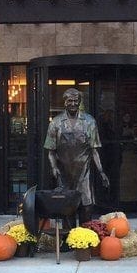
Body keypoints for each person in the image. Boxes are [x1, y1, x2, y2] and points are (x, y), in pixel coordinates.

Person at [44, 88, 109, 222]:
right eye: (70, 101)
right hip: (64, 171)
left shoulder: (89, 121)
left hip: (84, 170)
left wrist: (101, 171)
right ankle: (69, 237)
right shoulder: (56, 123)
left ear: (79, 102)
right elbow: (51, 151)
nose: (73, 103)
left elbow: (94, 150)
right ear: (65, 103)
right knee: (67, 206)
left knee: (87, 205)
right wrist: (54, 168)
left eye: (75, 101)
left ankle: (85, 236)